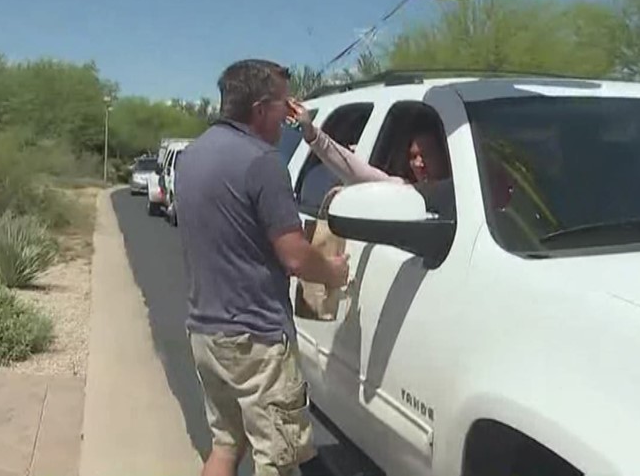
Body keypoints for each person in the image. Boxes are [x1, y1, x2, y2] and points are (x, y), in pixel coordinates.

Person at [174, 59, 350, 476]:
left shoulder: (192, 157)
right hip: (256, 341)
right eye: (284, 106)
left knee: (225, 445)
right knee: (280, 460)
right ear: (259, 108)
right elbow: (293, 255)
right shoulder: (262, 162)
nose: (288, 116)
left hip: (205, 331)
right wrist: (332, 271)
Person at [287, 100, 450, 185]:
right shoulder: (404, 190)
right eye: (413, 156)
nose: (418, 164)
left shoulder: (468, 193)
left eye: (427, 155)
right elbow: (356, 171)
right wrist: (311, 133)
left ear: (445, 155)